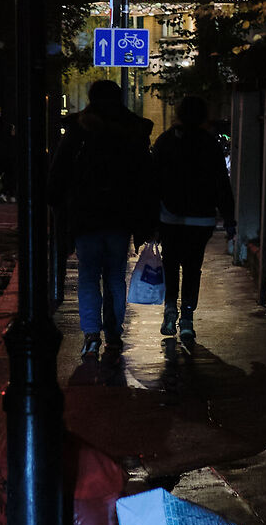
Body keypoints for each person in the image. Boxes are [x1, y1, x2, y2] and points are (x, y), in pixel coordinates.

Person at [46, 77, 153, 359]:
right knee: (116, 276)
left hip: (85, 216)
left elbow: (58, 175)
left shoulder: (78, 131)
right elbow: (145, 179)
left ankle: (91, 335)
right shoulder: (133, 131)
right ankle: (114, 334)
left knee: (89, 276)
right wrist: (147, 221)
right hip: (120, 217)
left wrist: (58, 209)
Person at [150, 93, 235, 355]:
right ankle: (187, 317)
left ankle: (170, 310)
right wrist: (229, 219)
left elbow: (152, 182)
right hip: (201, 217)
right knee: (193, 266)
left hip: (170, 215)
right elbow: (221, 183)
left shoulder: (165, 141)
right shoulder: (209, 144)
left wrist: (149, 219)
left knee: (171, 263)